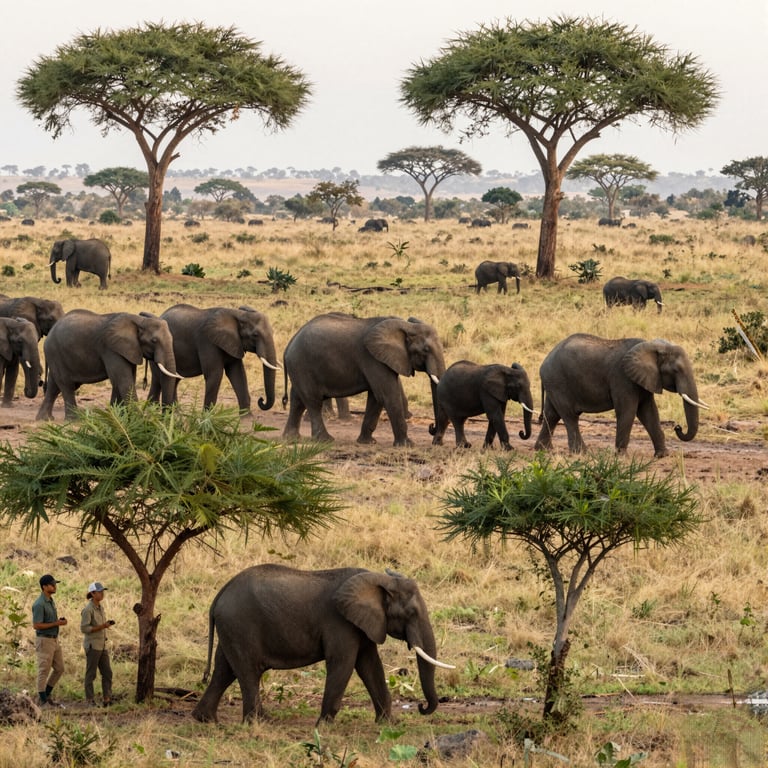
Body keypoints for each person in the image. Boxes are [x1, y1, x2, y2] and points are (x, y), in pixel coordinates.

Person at [31, 573, 67, 706]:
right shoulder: (39, 604)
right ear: (44, 587)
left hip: (53, 639)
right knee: (44, 670)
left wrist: (58, 623)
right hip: (44, 640)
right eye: (52, 584)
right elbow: (36, 625)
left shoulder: (50, 600)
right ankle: (42, 699)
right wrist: (56, 623)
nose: (54, 586)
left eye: (54, 584)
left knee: (60, 668)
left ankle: (45, 695)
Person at [80, 581, 114, 707]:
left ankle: (107, 699)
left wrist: (104, 626)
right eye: (99, 592)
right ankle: (89, 700)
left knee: (107, 672)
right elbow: (84, 628)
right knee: (91, 674)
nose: (102, 594)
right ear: (92, 594)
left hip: (101, 645)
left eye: (102, 591)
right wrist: (102, 627)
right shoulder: (88, 610)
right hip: (93, 646)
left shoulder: (100, 608)